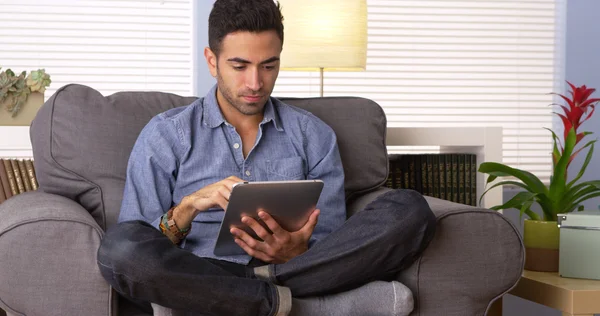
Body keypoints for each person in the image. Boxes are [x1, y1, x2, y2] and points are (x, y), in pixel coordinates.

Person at [97, 0, 436, 315]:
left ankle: (253, 294)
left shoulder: (313, 135)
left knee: (410, 210)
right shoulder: (166, 134)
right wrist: (188, 207)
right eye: (239, 66)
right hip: (199, 271)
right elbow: (138, 238)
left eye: (268, 65)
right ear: (212, 60)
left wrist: (294, 251)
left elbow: (333, 245)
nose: (255, 82)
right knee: (120, 250)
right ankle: (299, 306)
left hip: (291, 269)